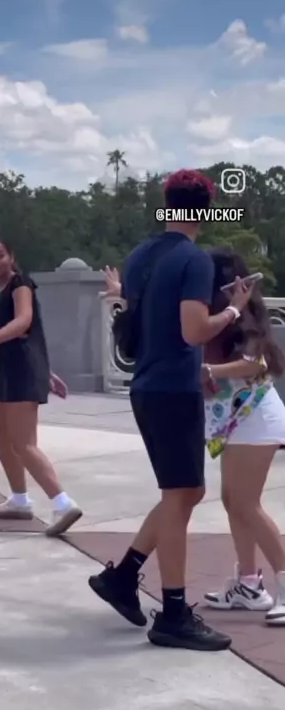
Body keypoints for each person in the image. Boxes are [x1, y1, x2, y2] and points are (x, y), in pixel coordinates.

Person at [88, 170, 253, 651]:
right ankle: (174, 614)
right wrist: (235, 308)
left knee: (184, 492)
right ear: (204, 210)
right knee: (181, 496)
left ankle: (124, 576)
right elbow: (193, 331)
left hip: (146, 385)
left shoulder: (141, 255)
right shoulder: (194, 260)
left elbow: (141, 312)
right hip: (173, 391)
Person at [0, 239, 82, 537]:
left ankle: (63, 503)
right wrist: (47, 372)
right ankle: (19, 500)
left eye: (0, 255)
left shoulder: (20, 284)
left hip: (21, 371)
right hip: (10, 369)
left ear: (11, 256)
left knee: (24, 443)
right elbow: (31, 336)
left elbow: (24, 321)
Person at [202, 248, 285, 624]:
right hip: (235, 420)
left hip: (256, 416)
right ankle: (249, 585)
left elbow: (253, 364)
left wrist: (209, 370)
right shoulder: (215, 316)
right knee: (232, 500)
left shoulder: (246, 315)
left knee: (246, 503)